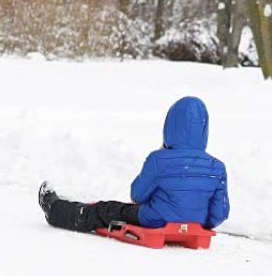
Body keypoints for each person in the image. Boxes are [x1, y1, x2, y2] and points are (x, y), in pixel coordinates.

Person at [38, 96, 230, 233]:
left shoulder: (158, 159)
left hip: (154, 218)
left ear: (169, 126)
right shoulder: (217, 167)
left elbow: (137, 195)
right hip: (196, 223)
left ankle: (55, 211)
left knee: (105, 210)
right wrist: (197, 222)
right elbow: (220, 212)